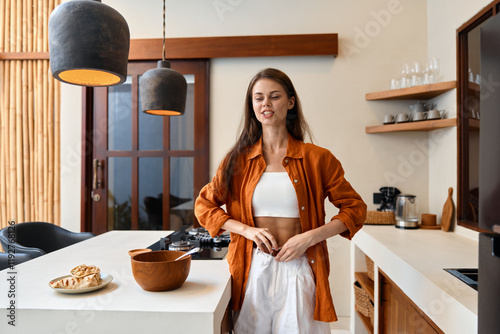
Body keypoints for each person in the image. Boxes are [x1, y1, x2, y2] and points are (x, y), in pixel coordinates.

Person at [195, 68, 366, 333]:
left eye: (274, 96)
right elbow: (204, 205)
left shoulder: (318, 158)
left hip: (300, 267)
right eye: (258, 98)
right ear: (252, 106)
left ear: (290, 102)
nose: (266, 104)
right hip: (252, 268)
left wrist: (309, 237)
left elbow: (355, 209)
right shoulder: (236, 160)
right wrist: (247, 230)